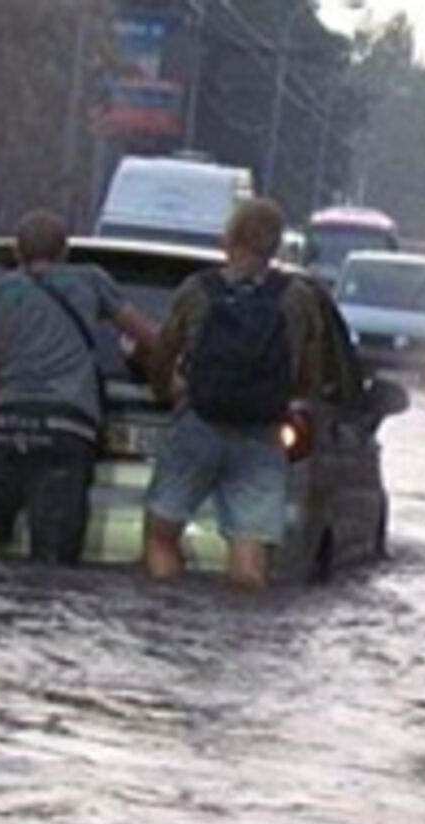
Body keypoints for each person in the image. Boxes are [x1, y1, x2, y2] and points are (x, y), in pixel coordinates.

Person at [142, 198, 334, 589]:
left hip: (197, 425)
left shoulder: (197, 290)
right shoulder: (298, 298)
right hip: (262, 435)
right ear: (277, 244)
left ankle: (166, 610)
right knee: (250, 554)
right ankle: (240, 630)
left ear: (230, 238)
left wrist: (167, 391)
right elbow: (310, 378)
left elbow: (163, 352)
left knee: (161, 536)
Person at [0, 210, 161, 564]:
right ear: (65, 251)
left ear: (18, 253)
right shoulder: (91, 281)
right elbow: (148, 336)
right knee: (54, 551)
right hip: (68, 426)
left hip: (7, 422)